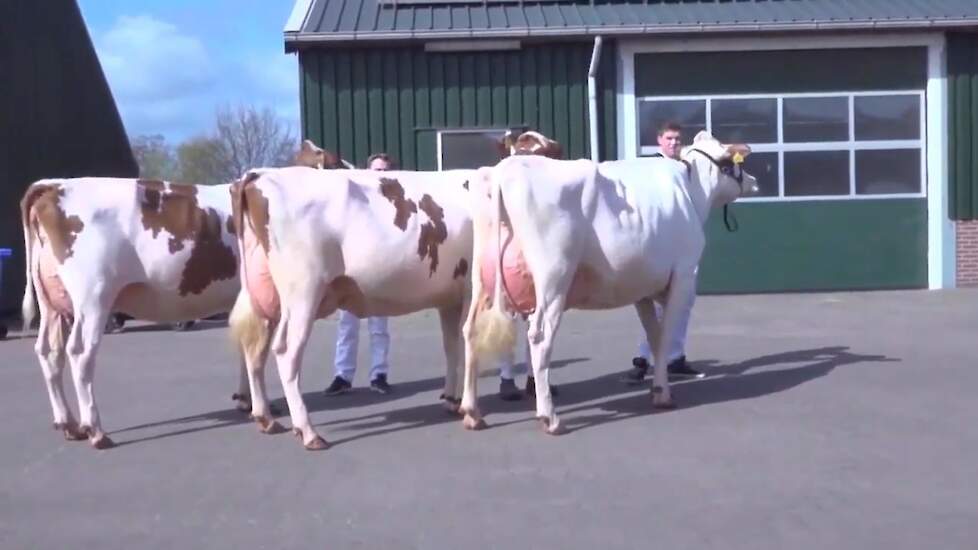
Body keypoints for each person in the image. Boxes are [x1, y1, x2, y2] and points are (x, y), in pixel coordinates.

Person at [621, 120, 704, 384]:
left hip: (682, 242)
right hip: (659, 243)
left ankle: (675, 357)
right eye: (669, 138)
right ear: (659, 140)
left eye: (677, 139)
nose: (673, 143)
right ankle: (643, 360)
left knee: (683, 303)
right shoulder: (651, 167)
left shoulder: (685, 168)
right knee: (658, 308)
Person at [324, 153, 395, 396]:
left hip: (380, 270)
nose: (380, 175)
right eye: (376, 170)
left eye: (384, 170)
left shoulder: (396, 205)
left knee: (379, 327)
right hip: (352, 271)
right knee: (347, 326)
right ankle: (343, 375)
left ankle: (379, 374)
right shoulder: (357, 199)